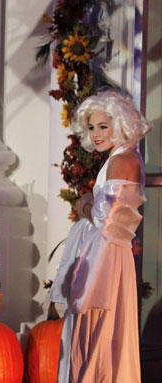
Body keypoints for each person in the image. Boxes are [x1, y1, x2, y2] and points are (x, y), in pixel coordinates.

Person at [49, 90, 151, 383]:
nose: (95, 134)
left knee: (99, 336)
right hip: (103, 255)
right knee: (95, 335)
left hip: (105, 259)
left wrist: (85, 205)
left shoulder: (123, 160)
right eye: (91, 127)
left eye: (103, 126)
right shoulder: (121, 157)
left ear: (119, 124)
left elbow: (109, 220)